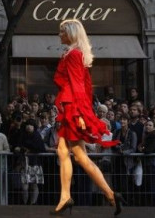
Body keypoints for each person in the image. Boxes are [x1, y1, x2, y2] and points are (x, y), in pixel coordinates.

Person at [51, 19, 123, 216]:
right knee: (64, 152)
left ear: (71, 34)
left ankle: (109, 194)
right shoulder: (73, 54)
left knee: (79, 156)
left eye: (62, 31)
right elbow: (82, 85)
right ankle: (67, 196)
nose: (59, 34)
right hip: (71, 109)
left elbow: (78, 86)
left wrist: (81, 114)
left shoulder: (74, 54)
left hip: (73, 109)